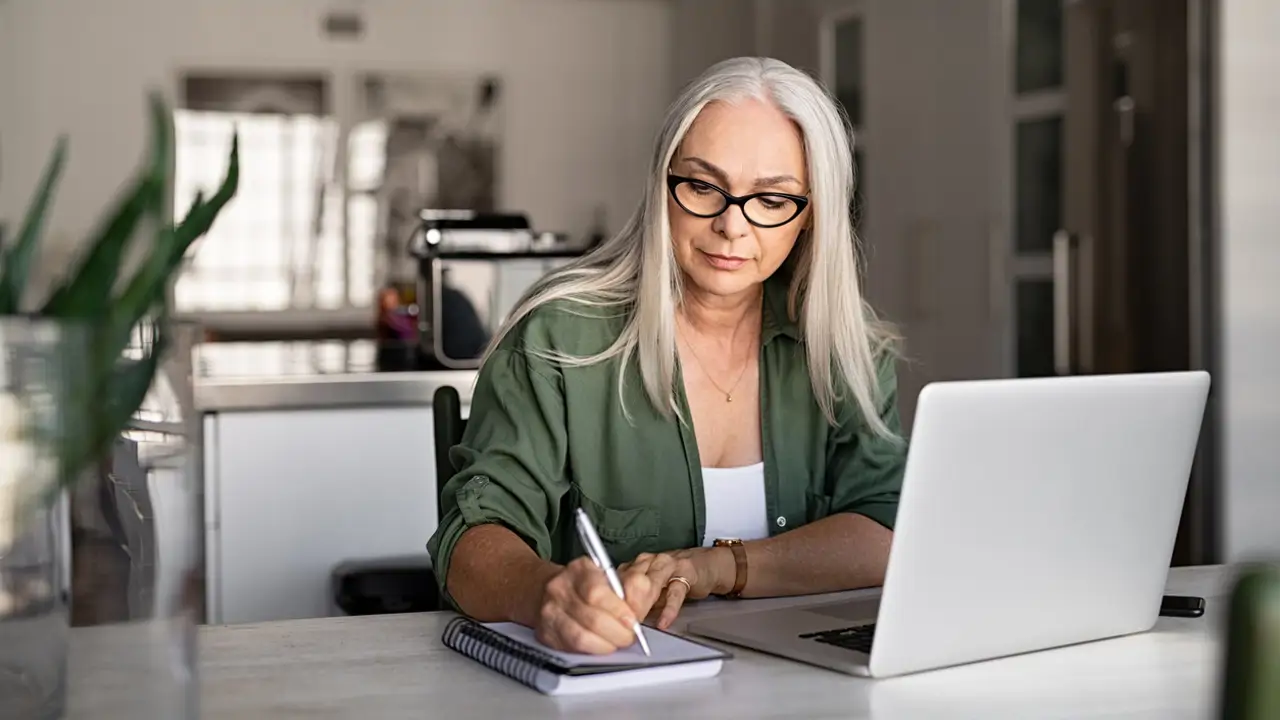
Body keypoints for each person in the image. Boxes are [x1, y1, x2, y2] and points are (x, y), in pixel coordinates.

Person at [426, 56, 907, 656]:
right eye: (704, 186)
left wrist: (714, 568)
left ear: (811, 216)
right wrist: (544, 594)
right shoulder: (558, 335)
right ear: (663, 185)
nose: (732, 226)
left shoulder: (844, 344)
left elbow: (886, 531)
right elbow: (471, 539)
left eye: (772, 199)